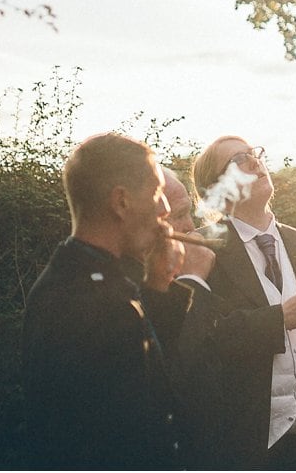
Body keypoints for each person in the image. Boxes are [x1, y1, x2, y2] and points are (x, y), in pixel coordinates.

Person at [21, 132, 194, 469]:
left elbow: (134, 373)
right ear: (121, 201)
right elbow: (114, 440)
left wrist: (158, 284)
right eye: (157, 193)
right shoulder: (83, 301)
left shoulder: (87, 279)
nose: (166, 209)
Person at [173, 135, 296, 470]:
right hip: (242, 439)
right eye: (238, 160)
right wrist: (279, 318)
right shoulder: (203, 247)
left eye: (254, 153)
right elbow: (198, 339)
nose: (254, 162)